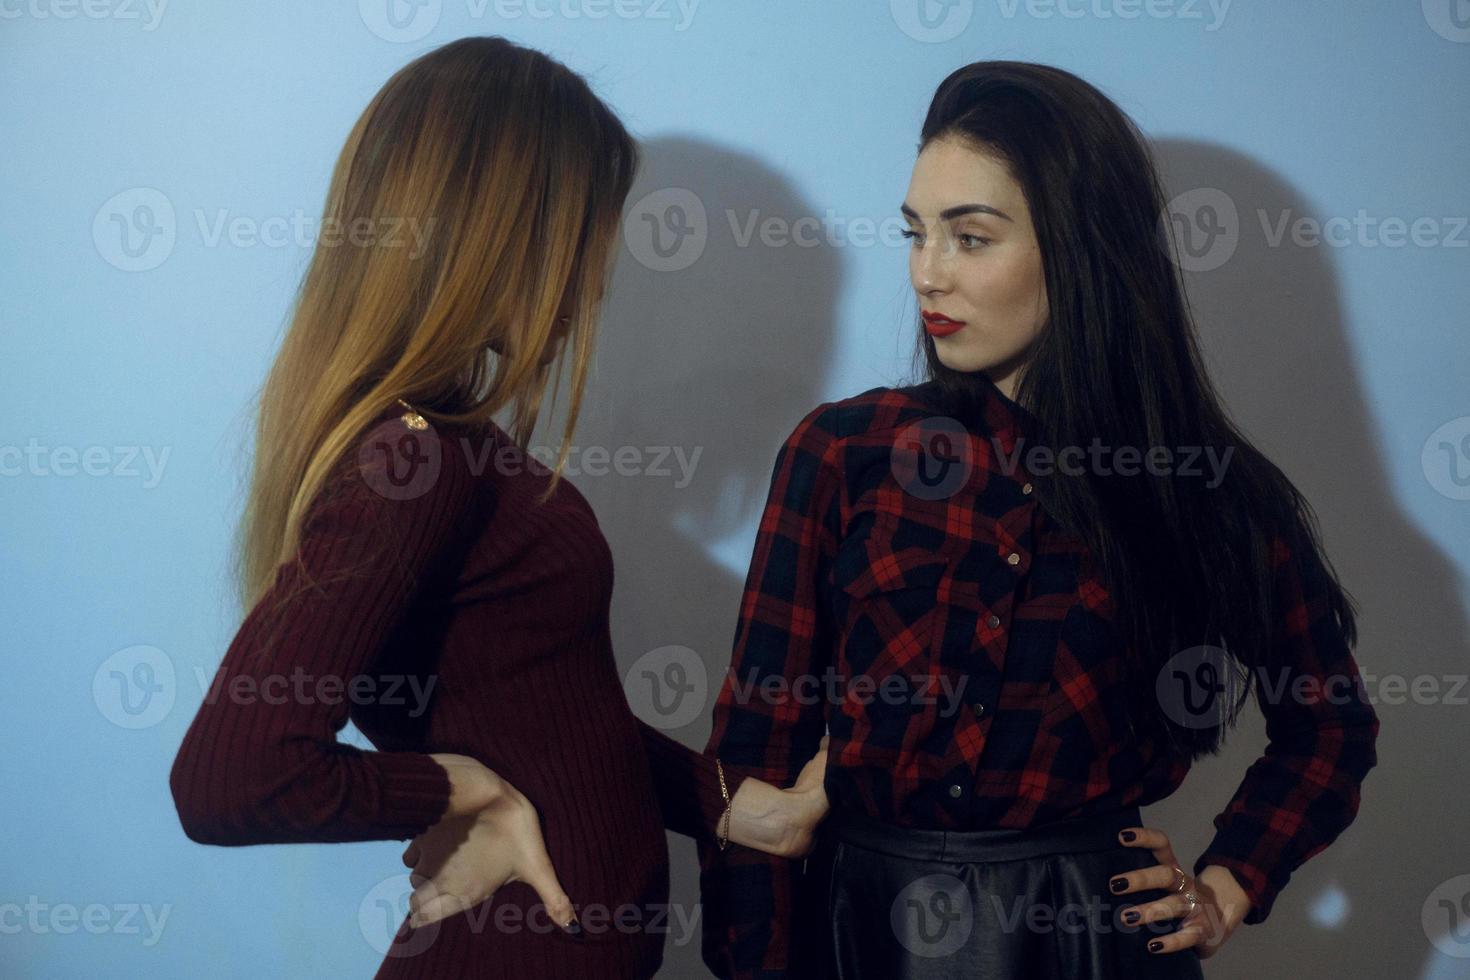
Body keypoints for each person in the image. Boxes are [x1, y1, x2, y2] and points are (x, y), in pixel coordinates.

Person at [695, 61, 1381, 979]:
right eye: (916, 233)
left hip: (1091, 940)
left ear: (1080, 246)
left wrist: (1228, 884)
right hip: (855, 930)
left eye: (971, 238)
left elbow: (1329, 726)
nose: (927, 275)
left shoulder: (1206, 488)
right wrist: (754, 964)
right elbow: (756, 750)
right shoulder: (846, 453)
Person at [167, 36, 827, 980]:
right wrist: (462, 789)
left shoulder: (451, 448)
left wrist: (731, 804)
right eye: (589, 229)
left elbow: (547, 718)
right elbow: (231, 782)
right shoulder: (416, 459)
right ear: (496, 230)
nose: (596, 277)